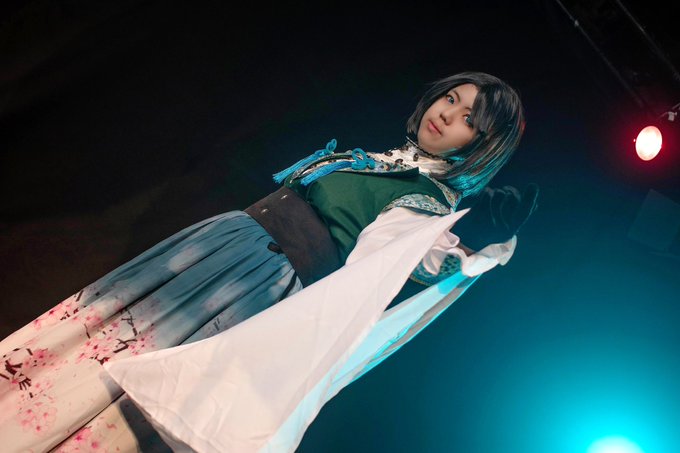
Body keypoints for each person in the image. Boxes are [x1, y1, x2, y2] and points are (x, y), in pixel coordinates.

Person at [0, 71, 538, 452]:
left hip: (252, 285)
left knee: (138, 376)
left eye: (468, 119)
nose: (446, 113)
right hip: (223, 249)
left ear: (482, 145)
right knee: (96, 335)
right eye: (450, 98)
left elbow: (408, 257)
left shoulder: (425, 204)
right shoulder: (391, 161)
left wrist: (469, 249)